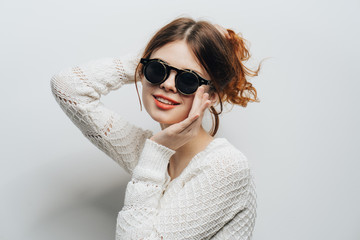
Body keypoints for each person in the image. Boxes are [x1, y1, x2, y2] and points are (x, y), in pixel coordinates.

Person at [50, 16, 261, 240]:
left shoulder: (226, 167)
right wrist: (147, 59)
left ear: (211, 95)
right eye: (158, 70)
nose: (167, 84)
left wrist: (156, 152)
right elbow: (67, 87)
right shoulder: (150, 151)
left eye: (187, 79)